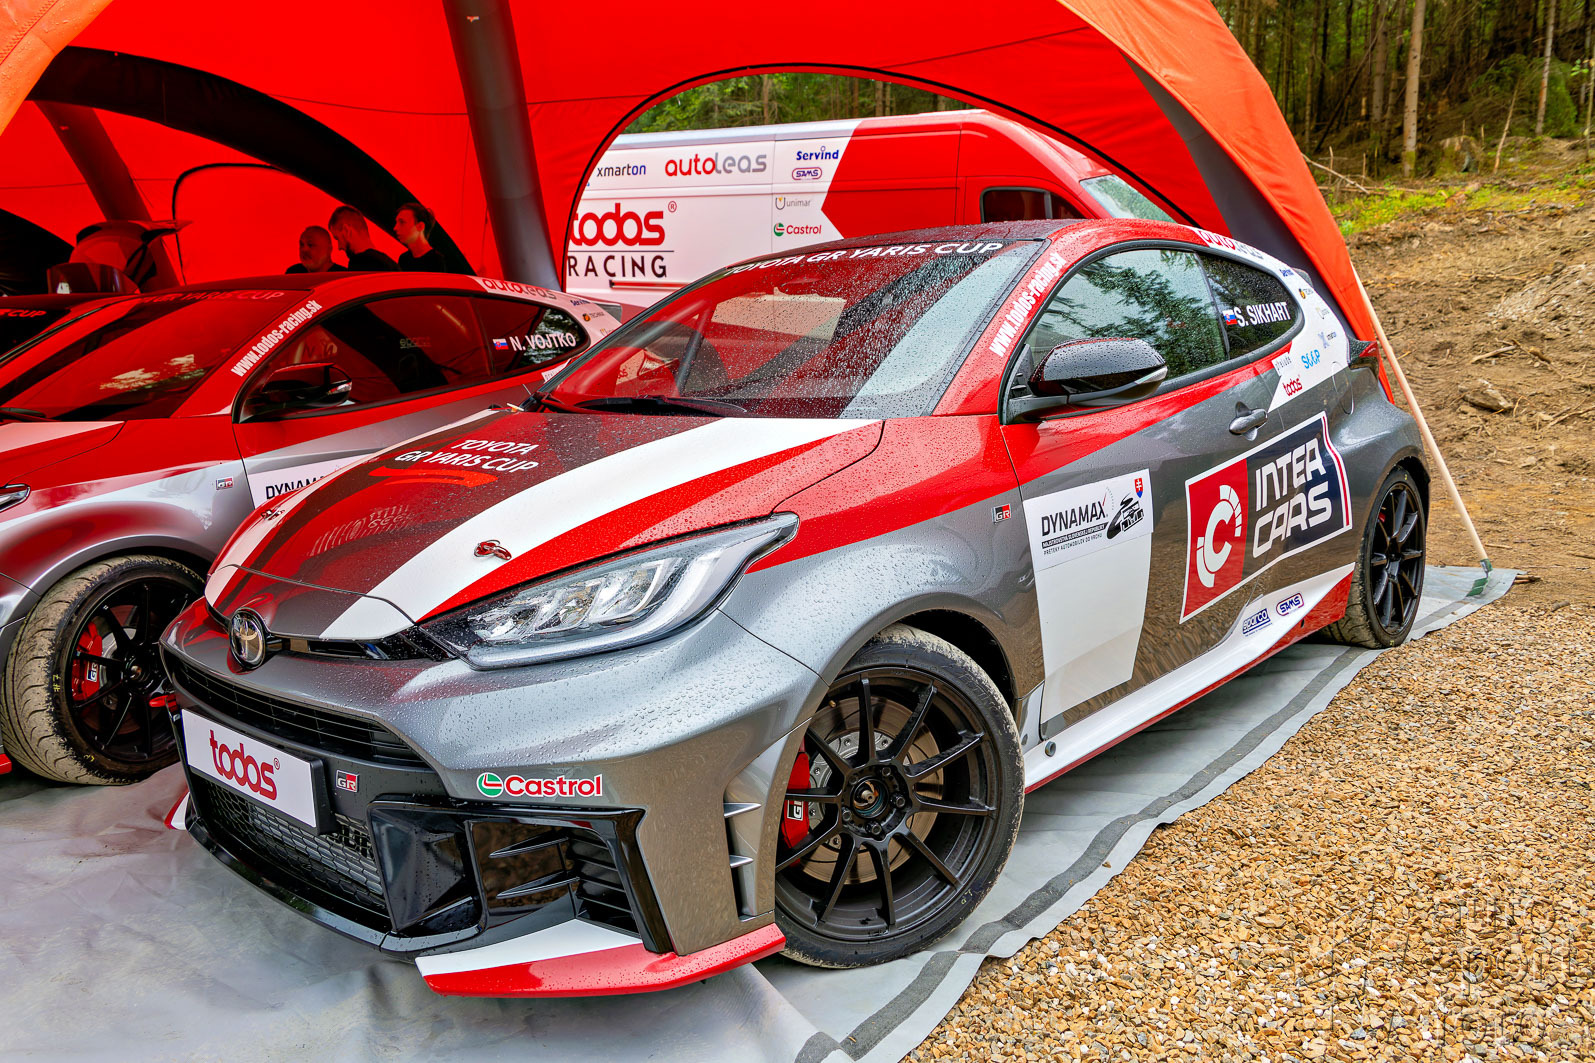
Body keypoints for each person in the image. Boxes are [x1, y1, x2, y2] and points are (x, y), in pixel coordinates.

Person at [328, 206, 398, 271]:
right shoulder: (391, 264)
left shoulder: (359, 264)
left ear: (346, 231)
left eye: (337, 238)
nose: (339, 247)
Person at [393, 202, 447, 271]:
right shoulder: (404, 259)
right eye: (396, 222)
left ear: (420, 226)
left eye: (402, 222)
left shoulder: (436, 261)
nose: (395, 228)